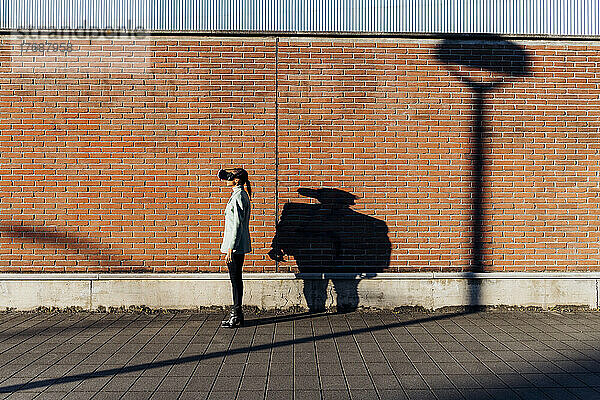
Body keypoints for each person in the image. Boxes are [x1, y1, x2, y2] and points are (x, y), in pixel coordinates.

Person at [218, 168, 252, 328]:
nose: (227, 178)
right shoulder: (239, 194)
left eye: (231, 176)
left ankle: (236, 315)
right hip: (237, 245)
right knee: (236, 279)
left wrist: (230, 248)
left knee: (235, 280)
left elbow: (237, 225)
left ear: (237, 180)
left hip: (235, 247)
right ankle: (238, 314)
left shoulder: (238, 196)